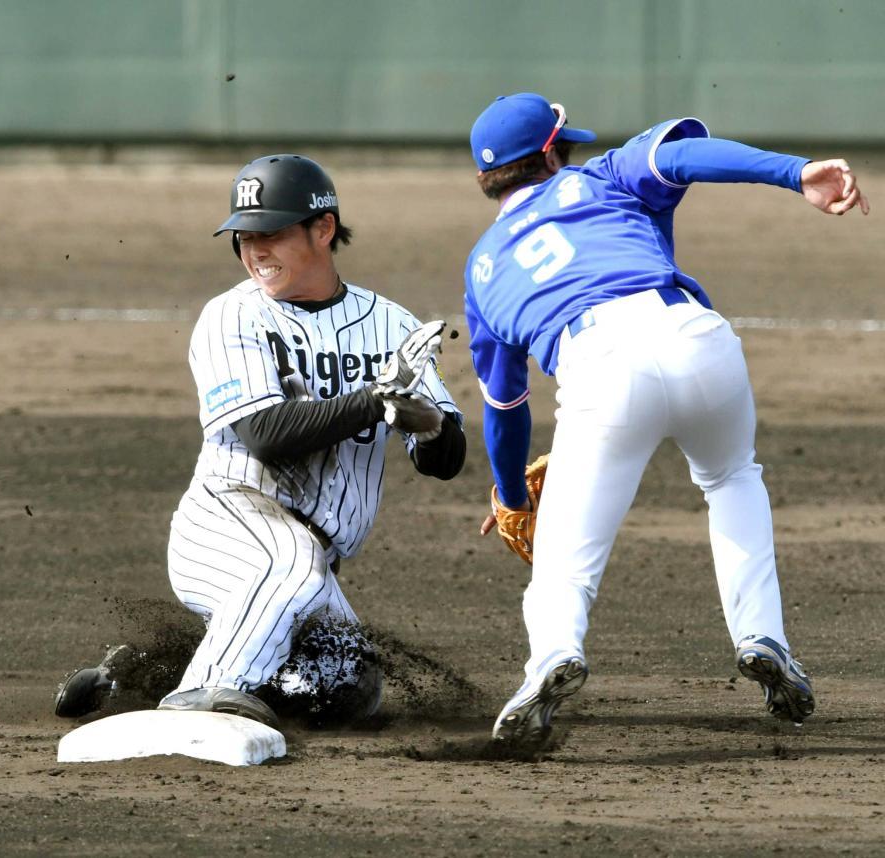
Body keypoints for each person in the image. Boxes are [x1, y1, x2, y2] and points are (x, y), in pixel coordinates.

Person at [464, 92, 869, 745]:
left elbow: (505, 408)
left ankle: (554, 658)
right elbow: (683, 155)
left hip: (599, 371)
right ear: (549, 151)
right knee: (733, 478)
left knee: (564, 561)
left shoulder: (482, 269)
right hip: (694, 336)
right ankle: (762, 636)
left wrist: (513, 498)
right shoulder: (600, 177)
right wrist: (796, 173)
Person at [55, 154, 465, 727]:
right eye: (243, 236)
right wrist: (375, 398)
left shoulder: (392, 325)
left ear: (323, 229)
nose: (254, 250)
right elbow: (266, 435)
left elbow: (445, 461)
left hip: (317, 552)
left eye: (269, 232)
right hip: (227, 520)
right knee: (289, 567)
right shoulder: (232, 316)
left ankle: (133, 675)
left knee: (347, 685)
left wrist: (420, 417)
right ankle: (202, 695)